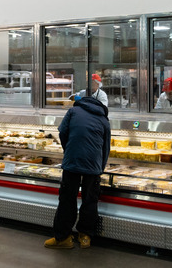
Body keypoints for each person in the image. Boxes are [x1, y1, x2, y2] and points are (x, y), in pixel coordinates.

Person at [45, 96, 111, 250]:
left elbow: (62, 132)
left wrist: (68, 150)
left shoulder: (73, 111)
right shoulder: (103, 119)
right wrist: (100, 168)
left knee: (67, 199)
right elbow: (106, 147)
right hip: (93, 164)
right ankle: (85, 237)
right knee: (90, 200)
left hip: (72, 161)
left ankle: (63, 238)